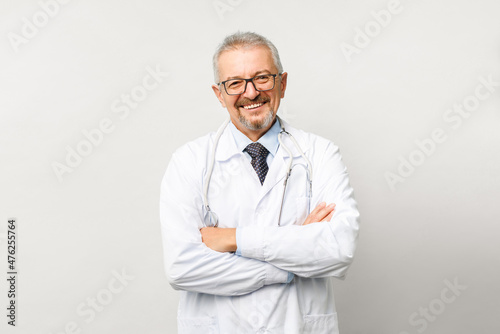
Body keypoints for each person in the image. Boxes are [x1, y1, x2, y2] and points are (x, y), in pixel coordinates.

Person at [160, 31, 359, 334]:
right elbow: (182, 268)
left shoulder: (320, 153)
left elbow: (338, 249)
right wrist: (291, 257)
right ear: (219, 94)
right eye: (235, 83)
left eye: (262, 77)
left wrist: (233, 238)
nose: (251, 93)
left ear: (282, 83)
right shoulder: (189, 161)